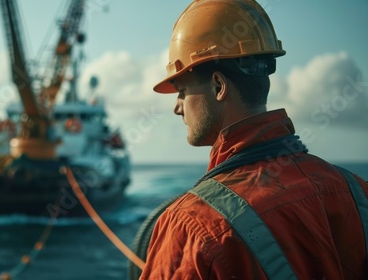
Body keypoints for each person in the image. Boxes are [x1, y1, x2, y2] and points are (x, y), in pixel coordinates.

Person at [139, 0, 368, 279]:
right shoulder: (354, 191)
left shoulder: (190, 225)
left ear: (218, 86)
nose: (177, 107)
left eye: (182, 91)